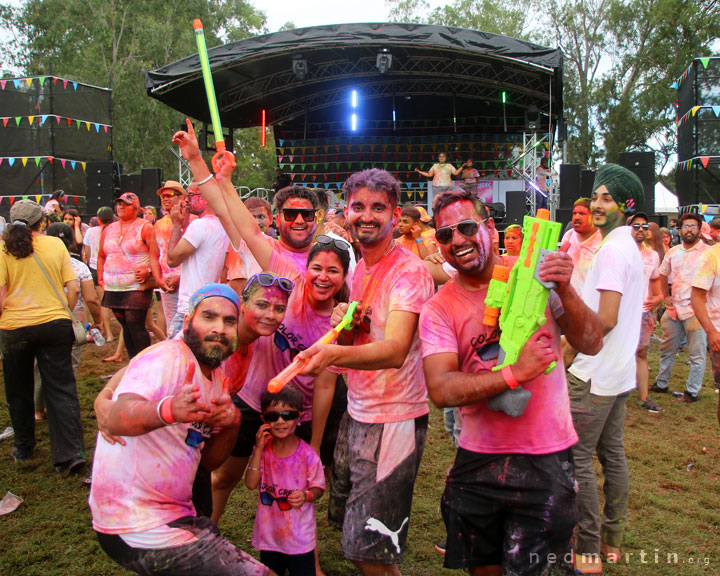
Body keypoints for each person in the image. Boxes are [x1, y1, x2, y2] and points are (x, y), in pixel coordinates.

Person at [418, 187, 603, 575]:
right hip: (478, 460)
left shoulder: (536, 273)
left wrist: (565, 289)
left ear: (491, 229)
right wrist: (514, 374)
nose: (458, 241)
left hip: (546, 457)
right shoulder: (438, 307)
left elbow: (591, 341)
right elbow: (441, 389)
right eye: (446, 235)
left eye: (466, 227)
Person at [296, 168, 434, 576]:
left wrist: (328, 354)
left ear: (395, 214)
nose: (367, 216)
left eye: (379, 207)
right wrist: (347, 321)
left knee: (369, 546)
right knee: (354, 532)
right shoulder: (361, 267)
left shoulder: (409, 272)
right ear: (347, 210)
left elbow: (394, 351)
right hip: (358, 412)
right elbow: (370, 331)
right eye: (359, 207)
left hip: (394, 419)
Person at [89, 284, 275, 576]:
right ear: (187, 323)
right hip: (137, 521)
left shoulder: (216, 377)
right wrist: (168, 410)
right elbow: (118, 418)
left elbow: (207, 462)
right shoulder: (168, 358)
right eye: (209, 318)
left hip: (176, 512)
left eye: (228, 321)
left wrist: (231, 425)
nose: (219, 329)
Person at [566, 164, 645, 574]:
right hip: (618, 373)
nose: (597, 205)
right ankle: (612, 540)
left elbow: (607, 318)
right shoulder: (627, 244)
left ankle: (589, 551)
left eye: (606, 198)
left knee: (577, 458)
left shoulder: (613, 248)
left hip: (595, 374)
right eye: (595, 196)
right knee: (612, 454)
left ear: (626, 205)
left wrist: (568, 345)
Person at [0, 200, 86, 473]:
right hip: (54, 324)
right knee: (61, 388)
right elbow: (73, 287)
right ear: (42, 222)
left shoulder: (3, 248)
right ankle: (70, 454)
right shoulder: (56, 245)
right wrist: (64, 311)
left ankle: (24, 448)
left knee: (18, 390)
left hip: (14, 328)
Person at [246, 385, 325, 576]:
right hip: (270, 536)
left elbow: (318, 488)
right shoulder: (263, 452)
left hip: (299, 538)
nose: (280, 421)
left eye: (287, 415)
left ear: (299, 416)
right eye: (273, 416)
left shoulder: (307, 455)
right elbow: (250, 483)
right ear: (264, 420)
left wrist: (306, 495)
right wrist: (257, 449)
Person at [97, 192, 166, 359]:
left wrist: (149, 270)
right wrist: (100, 278)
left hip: (136, 286)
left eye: (126, 204)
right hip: (113, 287)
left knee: (135, 324)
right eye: (119, 203)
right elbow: (101, 255)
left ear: (136, 208)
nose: (121, 207)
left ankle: (144, 363)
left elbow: (158, 255)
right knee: (125, 326)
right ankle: (132, 362)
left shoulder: (145, 227)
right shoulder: (109, 229)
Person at [652, 212, 708, 402]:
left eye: (693, 226)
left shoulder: (707, 253)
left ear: (699, 230)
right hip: (674, 310)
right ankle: (661, 383)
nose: (689, 230)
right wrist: (665, 297)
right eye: (686, 226)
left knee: (696, 355)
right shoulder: (673, 252)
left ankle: (692, 391)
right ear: (680, 229)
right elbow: (662, 273)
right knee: (667, 350)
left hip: (696, 312)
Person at [167, 182, 230, 338]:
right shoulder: (224, 226)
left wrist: (176, 225)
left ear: (205, 197)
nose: (187, 200)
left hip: (190, 306)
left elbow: (172, 259)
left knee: (177, 358)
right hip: (211, 303)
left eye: (191, 195)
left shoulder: (200, 225)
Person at [627, 213, 664, 413]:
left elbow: (656, 284)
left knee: (641, 353)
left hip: (642, 313)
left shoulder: (652, 255)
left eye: (644, 226)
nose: (640, 229)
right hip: (621, 312)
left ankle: (643, 397)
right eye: (636, 226)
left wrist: (658, 298)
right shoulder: (619, 252)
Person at [154, 180, 191, 334]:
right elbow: (154, 254)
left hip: (188, 282)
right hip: (166, 284)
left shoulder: (193, 222)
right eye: (162, 196)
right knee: (172, 328)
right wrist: (158, 280)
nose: (165, 199)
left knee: (188, 326)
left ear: (181, 197)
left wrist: (180, 277)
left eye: (169, 195)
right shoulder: (158, 224)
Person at [83, 206, 115, 342]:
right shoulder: (115, 230)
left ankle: (109, 334)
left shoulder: (90, 231)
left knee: (104, 303)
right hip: (113, 268)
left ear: (98, 218)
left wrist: (91, 264)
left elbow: (88, 252)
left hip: (96, 268)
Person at [560, 197, 601, 294]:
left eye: (582, 214)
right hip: (569, 301)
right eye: (574, 213)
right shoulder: (568, 236)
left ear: (593, 216)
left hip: (592, 304)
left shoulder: (603, 239)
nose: (576, 217)